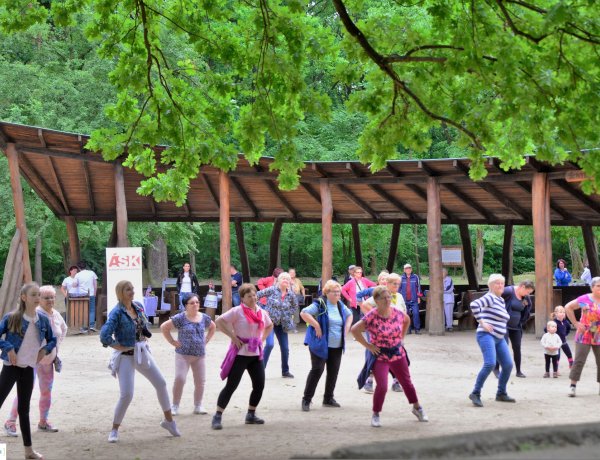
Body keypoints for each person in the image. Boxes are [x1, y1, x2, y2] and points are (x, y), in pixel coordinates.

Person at [100, 280, 180, 442]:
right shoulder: (116, 312)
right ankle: (114, 429)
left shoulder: (137, 306)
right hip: (126, 356)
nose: (132, 291)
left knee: (161, 383)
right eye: (128, 289)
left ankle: (169, 422)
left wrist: (144, 335)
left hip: (142, 352)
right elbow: (104, 335)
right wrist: (119, 347)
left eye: (132, 289)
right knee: (127, 394)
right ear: (120, 293)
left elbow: (143, 325)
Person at [352, 286, 429, 428]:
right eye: (384, 298)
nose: (387, 300)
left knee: (407, 383)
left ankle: (417, 407)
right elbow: (354, 329)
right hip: (380, 355)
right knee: (382, 386)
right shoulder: (372, 315)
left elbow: (407, 320)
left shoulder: (397, 312)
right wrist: (368, 346)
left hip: (397, 353)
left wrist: (402, 338)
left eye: (389, 297)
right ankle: (376, 413)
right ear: (376, 300)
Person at [0, 282, 57, 460]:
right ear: (24, 297)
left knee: (24, 410)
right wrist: (8, 348)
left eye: (38, 294)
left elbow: (52, 339)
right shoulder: (12, 318)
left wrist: (45, 350)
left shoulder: (43, 320)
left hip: (28, 369)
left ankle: (29, 452)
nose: (37, 298)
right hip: (11, 367)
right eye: (33, 295)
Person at [5, 285, 67, 437]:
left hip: (48, 361)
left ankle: (43, 422)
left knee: (46, 391)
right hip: (31, 361)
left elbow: (63, 330)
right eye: (46, 297)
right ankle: (10, 422)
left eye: (52, 297)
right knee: (24, 392)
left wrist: (56, 349)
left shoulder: (56, 314)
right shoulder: (34, 314)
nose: (50, 300)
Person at [212, 283, 273, 430]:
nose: (253, 298)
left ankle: (251, 414)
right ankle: (217, 415)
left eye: (254, 295)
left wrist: (262, 339)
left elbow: (269, 325)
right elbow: (219, 321)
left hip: (256, 354)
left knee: (259, 385)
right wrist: (233, 337)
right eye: (249, 296)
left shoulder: (261, 312)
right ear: (242, 298)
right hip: (240, 353)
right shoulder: (237, 311)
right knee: (231, 385)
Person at [300, 280, 352, 411]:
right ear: (327, 293)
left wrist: (346, 330)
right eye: (334, 292)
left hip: (337, 345)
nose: (337, 294)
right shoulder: (320, 303)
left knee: (333, 372)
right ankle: (306, 399)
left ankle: (328, 398)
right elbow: (304, 313)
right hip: (320, 344)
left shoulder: (340, 304)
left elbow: (350, 315)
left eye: (339, 292)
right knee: (317, 370)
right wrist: (316, 325)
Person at [161, 293, 216, 416]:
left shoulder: (204, 317)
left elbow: (213, 327)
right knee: (180, 378)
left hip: (199, 355)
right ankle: (175, 405)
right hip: (183, 355)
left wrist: (207, 339)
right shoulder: (180, 318)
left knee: (200, 381)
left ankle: (198, 405)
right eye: (192, 303)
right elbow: (164, 327)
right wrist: (172, 341)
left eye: (197, 302)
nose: (195, 305)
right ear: (185, 305)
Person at [468, 274, 515, 407]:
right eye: (497, 283)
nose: (500, 285)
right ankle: (475, 393)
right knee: (490, 363)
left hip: (499, 338)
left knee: (507, 365)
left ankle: (501, 393)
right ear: (491, 285)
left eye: (502, 283)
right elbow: (474, 304)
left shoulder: (500, 300)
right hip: (486, 335)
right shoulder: (490, 297)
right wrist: (482, 322)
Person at [361, 272, 407, 394]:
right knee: (376, 355)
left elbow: (404, 313)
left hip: (395, 333)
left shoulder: (399, 296)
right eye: (394, 284)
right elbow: (365, 305)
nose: (397, 286)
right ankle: (369, 381)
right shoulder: (382, 295)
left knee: (396, 355)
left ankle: (396, 382)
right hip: (380, 333)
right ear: (388, 284)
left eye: (398, 284)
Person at [565, 276, 600, 397]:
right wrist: (575, 323)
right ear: (592, 287)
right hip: (584, 333)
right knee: (579, 360)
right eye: (598, 286)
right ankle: (572, 386)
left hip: (599, 334)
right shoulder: (585, 299)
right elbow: (568, 307)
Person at [258, 272, 297, 377]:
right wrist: (261, 310)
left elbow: (294, 306)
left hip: (282, 324)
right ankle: (260, 370)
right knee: (270, 344)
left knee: (285, 348)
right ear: (279, 280)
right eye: (283, 278)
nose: (285, 280)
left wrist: (288, 314)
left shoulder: (291, 295)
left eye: (287, 279)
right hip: (270, 322)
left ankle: (285, 371)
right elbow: (256, 296)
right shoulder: (272, 290)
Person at [493, 280, 534, 379]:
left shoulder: (526, 297)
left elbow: (528, 308)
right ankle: (496, 369)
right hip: (504, 325)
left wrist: (523, 319)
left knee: (517, 347)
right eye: (527, 292)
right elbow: (492, 296)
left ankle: (518, 371)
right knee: (503, 346)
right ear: (522, 287)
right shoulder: (508, 291)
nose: (528, 294)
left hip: (516, 326)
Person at [73, 260, 98, 332]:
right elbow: (95, 284)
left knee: (83, 309)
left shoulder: (78, 275)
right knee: (91, 310)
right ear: (85, 266)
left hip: (82, 294)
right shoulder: (92, 273)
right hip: (91, 294)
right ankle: (91, 325)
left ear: (78, 267)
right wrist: (95, 293)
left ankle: (84, 327)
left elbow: (74, 285)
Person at [400, 264, 423, 334]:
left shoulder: (415, 277)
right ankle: (408, 329)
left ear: (411, 269)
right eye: (406, 268)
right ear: (404, 270)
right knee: (406, 315)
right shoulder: (401, 278)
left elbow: (419, 287)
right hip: (404, 300)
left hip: (414, 299)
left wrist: (419, 297)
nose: (408, 269)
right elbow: (399, 289)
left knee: (416, 314)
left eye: (409, 268)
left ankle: (417, 329)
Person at [551, 305, 573, 372]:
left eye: (564, 312)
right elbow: (546, 329)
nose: (563, 313)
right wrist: (552, 335)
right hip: (556, 343)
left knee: (569, 354)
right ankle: (556, 370)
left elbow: (569, 329)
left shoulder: (566, 322)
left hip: (563, 341)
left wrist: (565, 334)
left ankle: (572, 366)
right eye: (560, 312)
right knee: (557, 356)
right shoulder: (554, 322)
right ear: (556, 313)